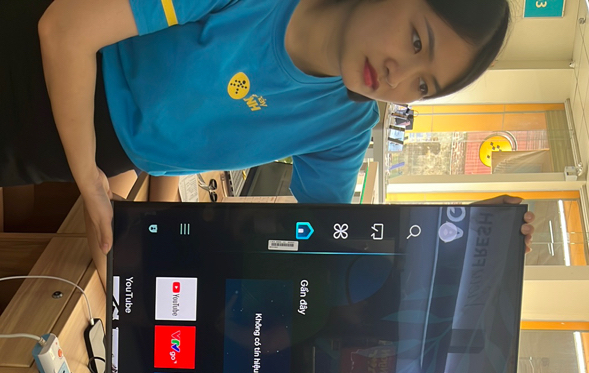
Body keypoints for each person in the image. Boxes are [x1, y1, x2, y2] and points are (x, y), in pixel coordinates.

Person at [4, 0, 534, 281]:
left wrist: (459, 235)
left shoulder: (345, 124)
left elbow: (331, 246)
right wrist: (91, 183)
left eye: (422, 86)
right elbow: (65, 30)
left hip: (57, 153)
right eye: (416, 40)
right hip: (28, 66)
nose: (400, 76)